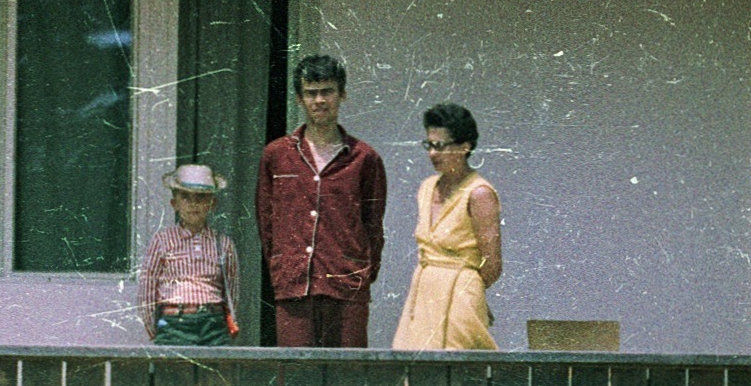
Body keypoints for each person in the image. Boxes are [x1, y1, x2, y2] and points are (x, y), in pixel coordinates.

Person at [255, 55, 387, 347]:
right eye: (311, 93)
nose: (319, 100)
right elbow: (267, 222)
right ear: (300, 99)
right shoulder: (277, 156)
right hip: (294, 284)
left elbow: (373, 225)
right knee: (297, 380)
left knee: (347, 380)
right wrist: (282, 267)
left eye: (327, 91)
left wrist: (361, 275)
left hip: (346, 286)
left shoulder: (364, 158)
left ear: (342, 94)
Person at [391, 102, 502, 351]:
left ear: (465, 147)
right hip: (422, 296)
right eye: (429, 145)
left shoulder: (479, 193)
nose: (433, 153)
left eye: (441, 146)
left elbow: (492, 264)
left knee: (458, 375)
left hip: (459, 296)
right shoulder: (427, 187)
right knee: (414, 372)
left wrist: (468, 291)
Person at [139, 164, 240, 346]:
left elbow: (232, 290)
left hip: (212, 321)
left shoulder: (223, 243)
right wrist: (154, 329)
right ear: (174, 204)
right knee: (175, 372)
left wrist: (228, 320)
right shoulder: (162, 240)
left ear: (212, 204)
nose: (193, 204)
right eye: (185, 197)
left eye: (201, 198)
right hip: (174, 321)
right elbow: (147, 286)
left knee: (214, 372)